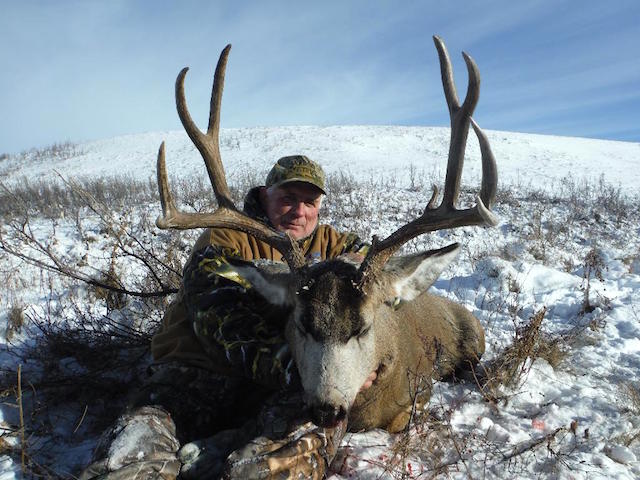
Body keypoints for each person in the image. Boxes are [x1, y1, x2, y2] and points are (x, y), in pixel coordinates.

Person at [80, 155, 368, 480]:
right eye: (288, 198)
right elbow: (219, 318)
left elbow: (383, 287)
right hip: (197, 377)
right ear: (265, 195)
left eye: (309, 202)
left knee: (298, 446)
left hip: (283, 388)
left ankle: (232, 454)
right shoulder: (227, 236)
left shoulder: (332, 243)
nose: (299, 211)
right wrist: (299, 368)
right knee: (134, 453)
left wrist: (351, 365)